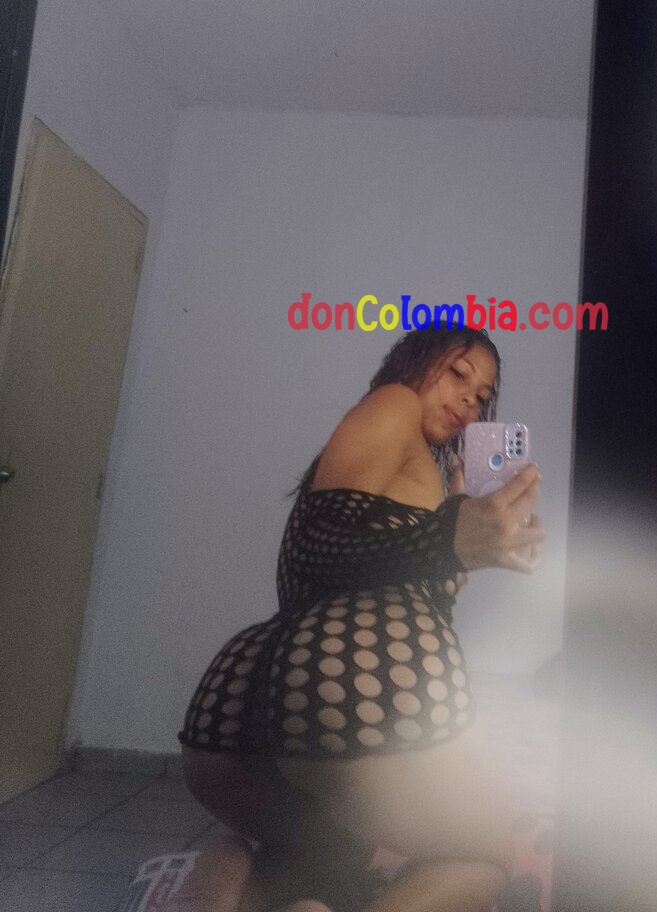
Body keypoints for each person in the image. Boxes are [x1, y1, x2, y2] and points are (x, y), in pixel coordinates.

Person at [178, 325, 544, 912]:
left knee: (335, 852)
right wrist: (445, 541)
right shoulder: (395, 403)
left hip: (252, 705)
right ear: (414, 361)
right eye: (458, 373)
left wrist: (454, 525)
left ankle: (234, 883)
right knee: (488, 852)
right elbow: (313, 545)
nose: (469, 400)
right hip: (341, 685)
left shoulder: (418, 471)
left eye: (482, 395)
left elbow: (380, 580)